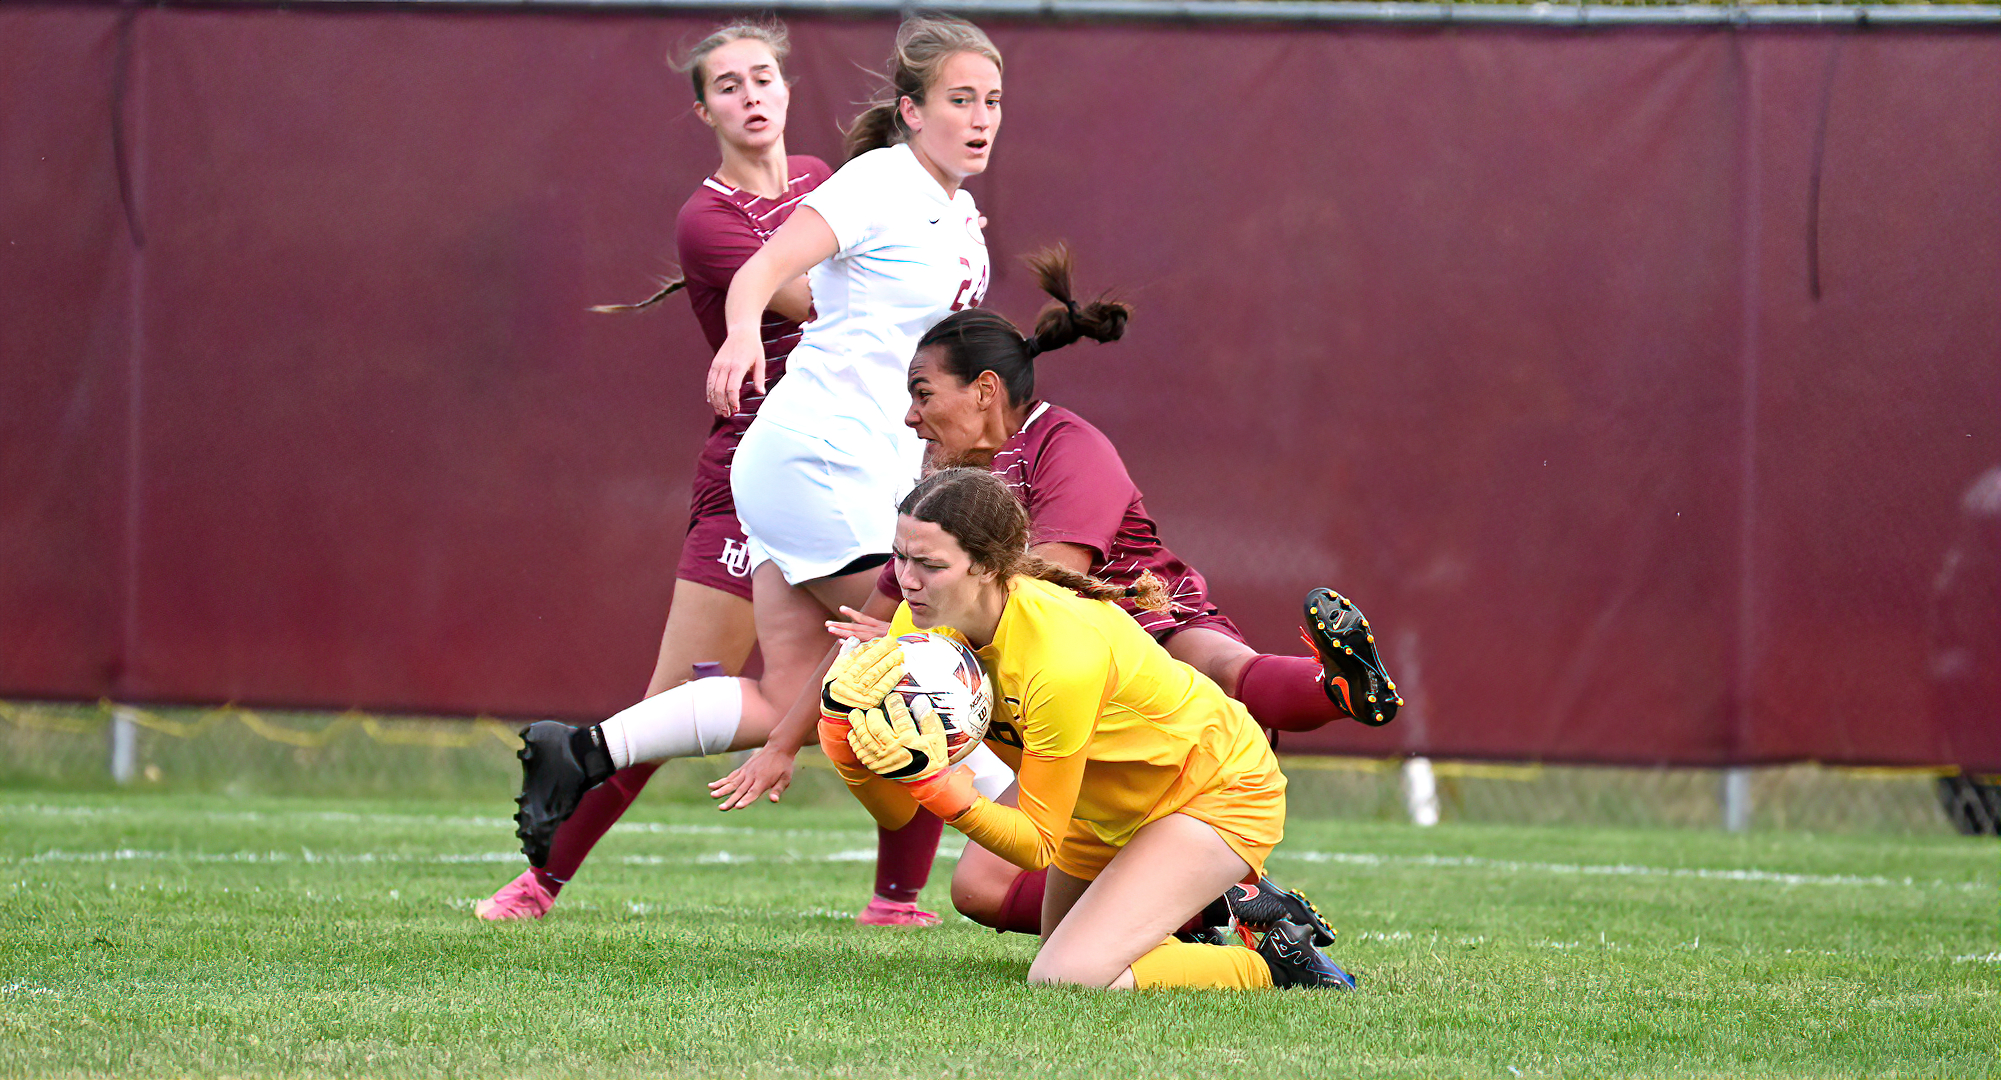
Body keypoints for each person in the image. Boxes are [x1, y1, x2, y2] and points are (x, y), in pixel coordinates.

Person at [508, 15, 1015, 925]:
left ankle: (583, 748)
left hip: (847, 466)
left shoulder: (953, 210)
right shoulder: (875, 183)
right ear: (910, 109)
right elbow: (769, 273)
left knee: (791, 691)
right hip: (818, 461)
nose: (980, 118)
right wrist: (743, 329)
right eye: (959, 100)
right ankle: (1066, 844)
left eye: (992, 102)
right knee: (923, 655)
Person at [828, 248, 1400, 935]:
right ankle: (1206, 910)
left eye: (922, 392)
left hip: (1136, 622)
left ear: (982, 390)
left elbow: (1049, 575)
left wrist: (935, 657)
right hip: (1068, 693)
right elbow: (879, 616)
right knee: (979, 888)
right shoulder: (944, 498)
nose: (910, 416)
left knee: (1218, 670)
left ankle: (1332, 689)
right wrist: (816, 725)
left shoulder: (1061, 445)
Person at [827, 467, 1359, 989]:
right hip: (1105, 811)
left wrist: (935, 786)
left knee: (1067, 977)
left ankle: (1278, 963)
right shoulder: (918, 627)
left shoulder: (1058, 652)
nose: (906, 580)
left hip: (1213, 791)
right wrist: (844, 744)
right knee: (1066, 953)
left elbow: (1036, 844)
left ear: (988, 567)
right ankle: (1204, 914)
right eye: (899, 556)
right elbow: (897, 814)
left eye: (929, 563)